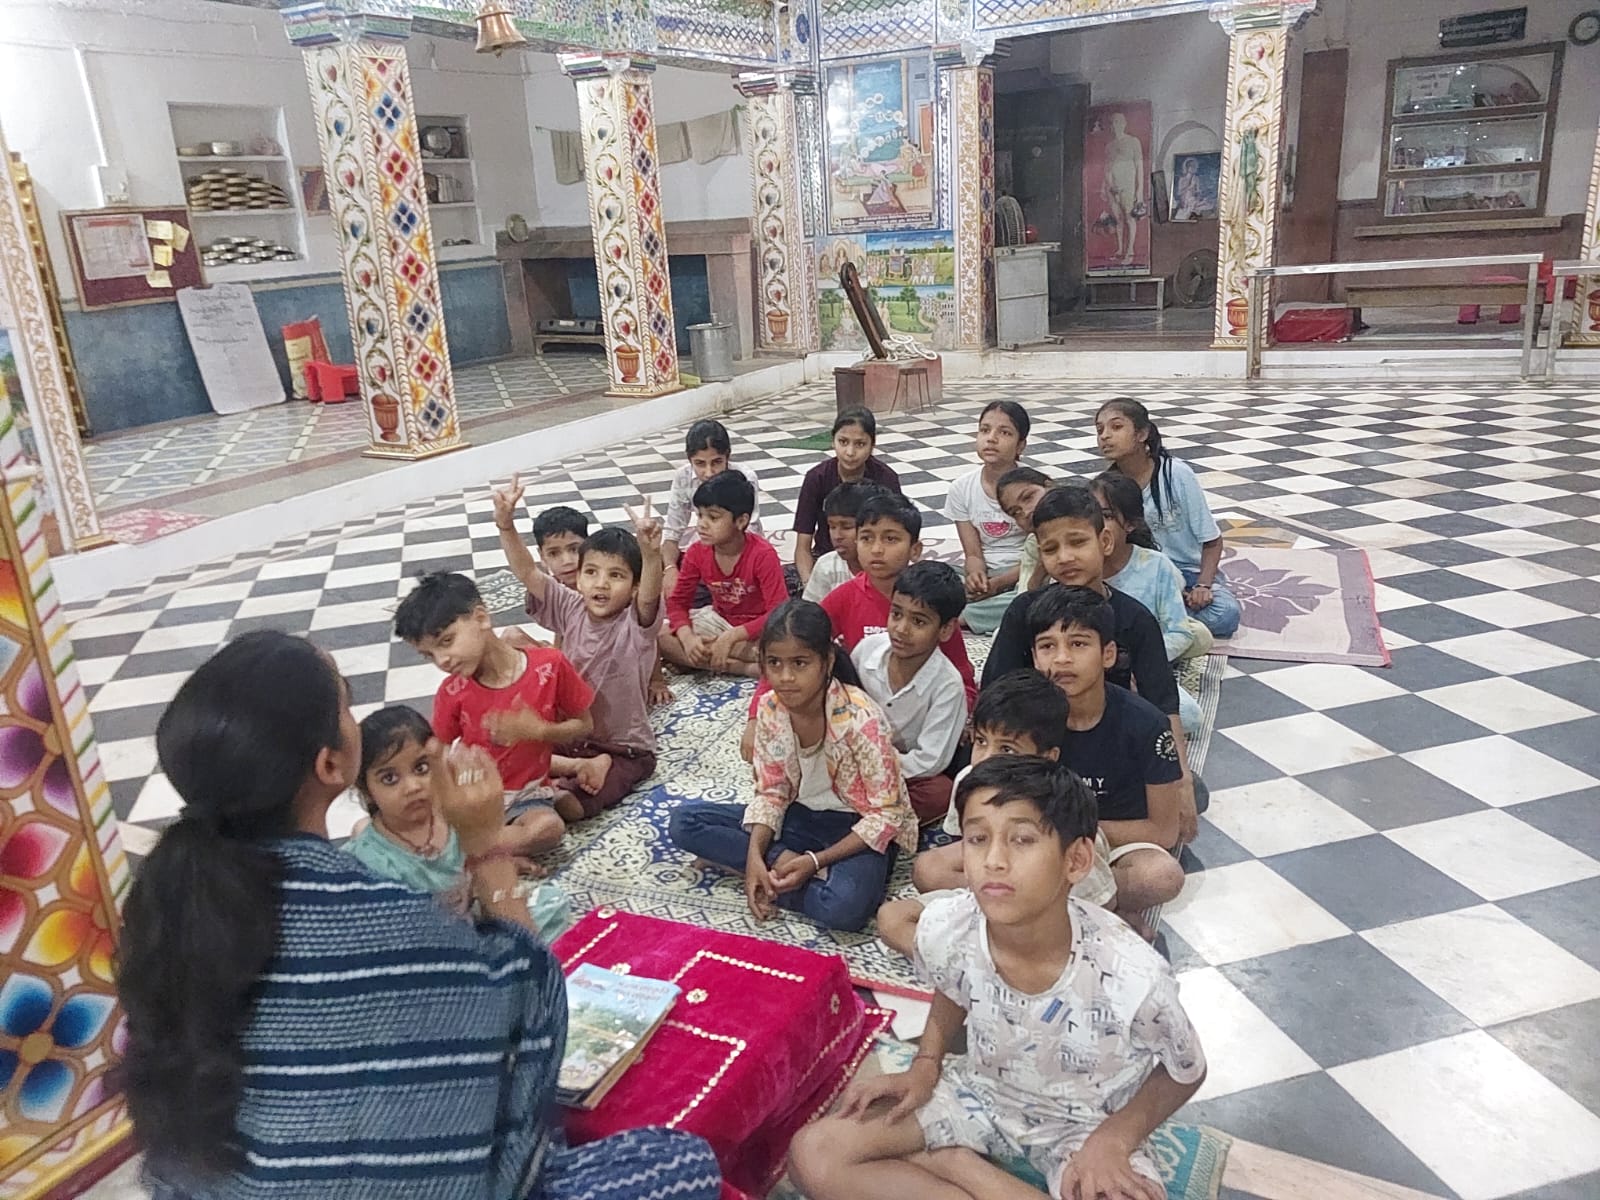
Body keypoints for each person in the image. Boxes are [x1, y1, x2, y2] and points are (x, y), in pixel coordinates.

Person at [116, 630, 722, 1200]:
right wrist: (485, 847)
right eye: (345, 706)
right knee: (680, 1163)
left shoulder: (171, 907)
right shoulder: (381, 925)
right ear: (333, 767)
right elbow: (528, 1009)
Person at [789, 757, 1206, 1200]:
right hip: (980, 1095)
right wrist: (926, 1064)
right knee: (813, 1154)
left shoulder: (1134, 976)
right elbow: (952, 983)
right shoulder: (953, 924)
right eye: (977, 838)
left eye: (1022, 839)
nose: (993, 861)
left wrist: (1115, 1139)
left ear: (1077, 859)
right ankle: (962, 1165)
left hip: (1087, 1124)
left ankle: (954, 1163)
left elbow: (1187, 1071)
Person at [669, 600, 918, 933]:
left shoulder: (861, 718)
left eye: (800, 663)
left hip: (855, 827)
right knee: (684, 822)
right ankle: (776, 865)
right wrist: (756, 857)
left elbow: (887, 815)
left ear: (827, 661)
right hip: (797, 816)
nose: (785, 677)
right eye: (774, 663)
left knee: (845, 908)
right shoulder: (771, 708)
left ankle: (770, 869)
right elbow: (772, 792)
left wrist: (815, 861)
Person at [983, 485, 1202, 839]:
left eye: (1077, 542)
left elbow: (1163, 702)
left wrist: (1183, 780)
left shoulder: (1134, 619)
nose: (1065, 557)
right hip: (1042, 748)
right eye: (1051, 549)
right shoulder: (1025, 612)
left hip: (1113, 746)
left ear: (1105, 542)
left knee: (1188, 796)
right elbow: (996, 695)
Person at [875, 669, 1115, 959]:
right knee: (892, 918)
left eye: (1007, 749)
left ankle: (994, 964)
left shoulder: (1063, 809)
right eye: (980, 741)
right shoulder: (969, 781)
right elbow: (970, 852)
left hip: (1048, 917)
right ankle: (976, 964)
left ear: (1047, 757)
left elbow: (1101, 901)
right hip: (987, 900)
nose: (986, 759)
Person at [739, 492, 977, 761]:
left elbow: (962, 678)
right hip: (858, 719)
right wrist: (754, 717)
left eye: (890, 539)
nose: (876, 550)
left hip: (920, 720)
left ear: (915, 549)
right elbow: (791, 645)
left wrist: (961, 719)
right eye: (866, 538)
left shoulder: (932, 604)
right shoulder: (846, 596)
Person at [495, 474, 664, 818]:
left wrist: (650, 554)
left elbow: (650, 595)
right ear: (580, 577)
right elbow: (527, 573)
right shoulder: (570, 605)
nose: (601, 583)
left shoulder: (635, 622)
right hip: (571, 737)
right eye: (591, 572)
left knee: (568, 805)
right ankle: (564, 773)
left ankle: (571, 780)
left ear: (633, 586)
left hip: (623, 749)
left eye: (616, 575)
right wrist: (506, 526)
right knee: (504, 762)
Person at [1029, 585, 1188, 932]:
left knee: (1161, 876)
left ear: (1109, 654)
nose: (1061, 659)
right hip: (1040, 844)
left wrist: (1077, 832)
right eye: (1047, 646)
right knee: (931, 870)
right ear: (1034, 658)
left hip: (1116, 844)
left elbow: (1164, 830)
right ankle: (1102, 913)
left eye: (1078, 644)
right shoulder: (1026, 719)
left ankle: (1064, 909)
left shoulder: (1146, 723)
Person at [346, 704, 572, 940]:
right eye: (390, 778)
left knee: (552, 903)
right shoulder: (371, 859)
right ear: (366, 791)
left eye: (421, 768)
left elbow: (478, 869)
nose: (412, 786)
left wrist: (499, 870)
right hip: (426, 946)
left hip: (470, 924)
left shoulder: (455, 818)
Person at [394, 571, 593, 836]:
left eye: (447, 641)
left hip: (526, 794)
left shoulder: (549, 665)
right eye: (429, 655)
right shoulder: (452, 692)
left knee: (549, 828)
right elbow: (437, 752)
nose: (442, 660)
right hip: (474, 798)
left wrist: (541, 731)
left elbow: (584, 725)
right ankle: (485, 841)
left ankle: (476, 845)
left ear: (481, 618)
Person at [1097, 397, 1240, 638]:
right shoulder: (1106, 487)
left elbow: (1212, 542)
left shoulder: (1176, 474)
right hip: (1140, 574)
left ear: (1142, 434)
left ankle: (1151, 621)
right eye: (1100, 430)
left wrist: (1202, 586)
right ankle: (1163, 620)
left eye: (1116, 427)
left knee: (1225, 614)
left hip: (1188, 573)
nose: (1105, 436)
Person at [850, 561, 967, 825]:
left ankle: (861, 815)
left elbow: (931, 760)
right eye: (896, 614)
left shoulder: (948, 685)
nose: (901, 628)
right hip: (852, 757)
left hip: (899, 771)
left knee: (940, 793)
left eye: (918, 621)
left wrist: (875, 766)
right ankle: (870, 815)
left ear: (946, 629)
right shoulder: (867, 651)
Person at [662, 469, 788, 678]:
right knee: (661, 635)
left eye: (713, 517)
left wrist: (731, 638)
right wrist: (687, 638)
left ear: (741, 521)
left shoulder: (762, 554)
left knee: (782, 649)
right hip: (718, 621)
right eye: (700, 515)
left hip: (757, 630)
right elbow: (677, 603)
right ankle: (739, 667)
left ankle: (706, 660)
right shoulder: (696, 552)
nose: (702, 524)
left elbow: (778, 612)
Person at [1092, 470, 1212, 665]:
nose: (1097, 525)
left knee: (1208, 627)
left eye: (1107, 516)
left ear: (1130, 524)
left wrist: (1137, 663)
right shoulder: (1076, 566)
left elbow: (1178, 633)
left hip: (1139, 660)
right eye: (1091, 515)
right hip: (1090, 663)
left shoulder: (1155, 566)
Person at [945, 400, 1031, 634]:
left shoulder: (1034, 489)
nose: (991, 438)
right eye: (985, 430)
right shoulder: (961, 488)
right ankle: (980, 608)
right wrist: (977, 577)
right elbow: (973, 553)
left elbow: (1040, 557)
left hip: (1023, 573)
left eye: (1004, 433)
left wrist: (998, 584)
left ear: (1021, 445)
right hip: (986, 573)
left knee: (1038, 594)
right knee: (931, 576)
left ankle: (966, 615)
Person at [793, 408, 902, 588]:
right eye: (843, 442)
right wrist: (810, 584)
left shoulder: (886, 479)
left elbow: (897, 536)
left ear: (872, 445)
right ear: (833, 440)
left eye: (860, 444)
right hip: (826, 559)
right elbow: (803, 546)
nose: (850, 452)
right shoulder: (817, 478)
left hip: (875, 562)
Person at [661, 418, 765, 578]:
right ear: (689, 460)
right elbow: (672, 532)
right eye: (700, 463)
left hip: (741, 554)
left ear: (727, 456)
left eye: (716, 462)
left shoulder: (745, 478)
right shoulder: (683, 477)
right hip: (706, 549)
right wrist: (669, 569)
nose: (709, 472)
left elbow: (749, 531)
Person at [802, 481, 885, 603]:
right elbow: (810, 611)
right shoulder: (826, 566)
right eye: (832, 527)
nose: (837, 536)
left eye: (846, 527)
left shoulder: (889, 567)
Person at [996, 465, 1054, 593]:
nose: (1026, 512)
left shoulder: (1085, 522)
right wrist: (1042, 566)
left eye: (1028, 497)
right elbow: (1025, 594)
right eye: (1016, 512)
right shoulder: (1033, 544)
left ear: (1048, 486)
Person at [1101, 110, 1145, 265]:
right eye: (1113, 122)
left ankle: (1130, 251)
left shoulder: (1133, 141)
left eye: (1118, 122)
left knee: (1129, 218)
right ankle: (1120, 249)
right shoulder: (1109, 146)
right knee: (1117, 219)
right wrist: (1104, 187)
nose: (1115, 125)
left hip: (1128, 186)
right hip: (1112, 187)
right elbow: (1106, 168)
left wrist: (1139, 190)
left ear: (1124, 124)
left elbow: (1139, 166)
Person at [530, 505, 588, 592]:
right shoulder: (545, 593)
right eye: (553, 553)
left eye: (574, 549)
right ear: (542, 556)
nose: (567, 561)